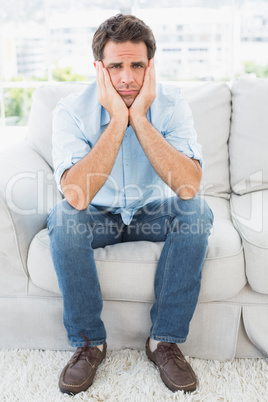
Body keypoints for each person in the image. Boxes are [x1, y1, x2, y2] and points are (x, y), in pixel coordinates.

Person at [48, 13, 214, 395]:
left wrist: (139, 117)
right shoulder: (71, 111)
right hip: (99, 216)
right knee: (62, 216)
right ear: (98, 69)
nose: (126, 78)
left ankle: (165, 342)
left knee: (198, 211)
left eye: (136, 65)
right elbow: (76, 195)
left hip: (151, 213)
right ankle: (90, 343)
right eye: (115, 67)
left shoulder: (172, 106)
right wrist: (117, 120)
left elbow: (188, 186)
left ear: (150, 66)